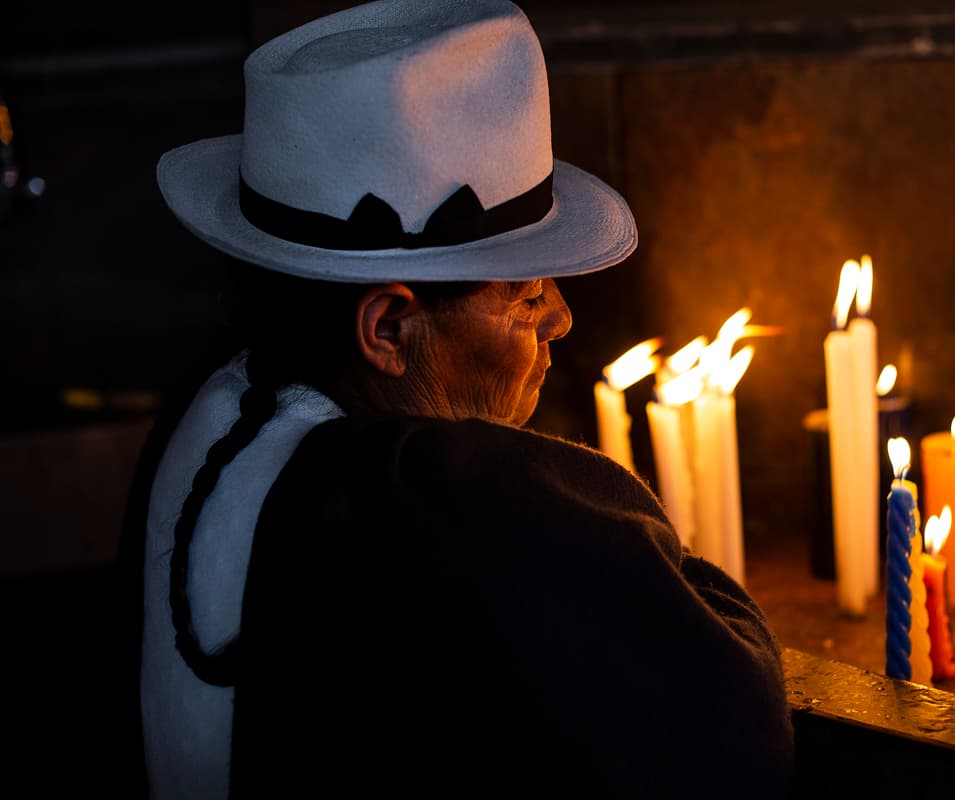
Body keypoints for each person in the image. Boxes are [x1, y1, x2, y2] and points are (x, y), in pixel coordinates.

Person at [126, 1, 796, 797]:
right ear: (388, 328)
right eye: (524, 296)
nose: (561, 318)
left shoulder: (213, 407)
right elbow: (736, 719)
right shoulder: (428, 499)